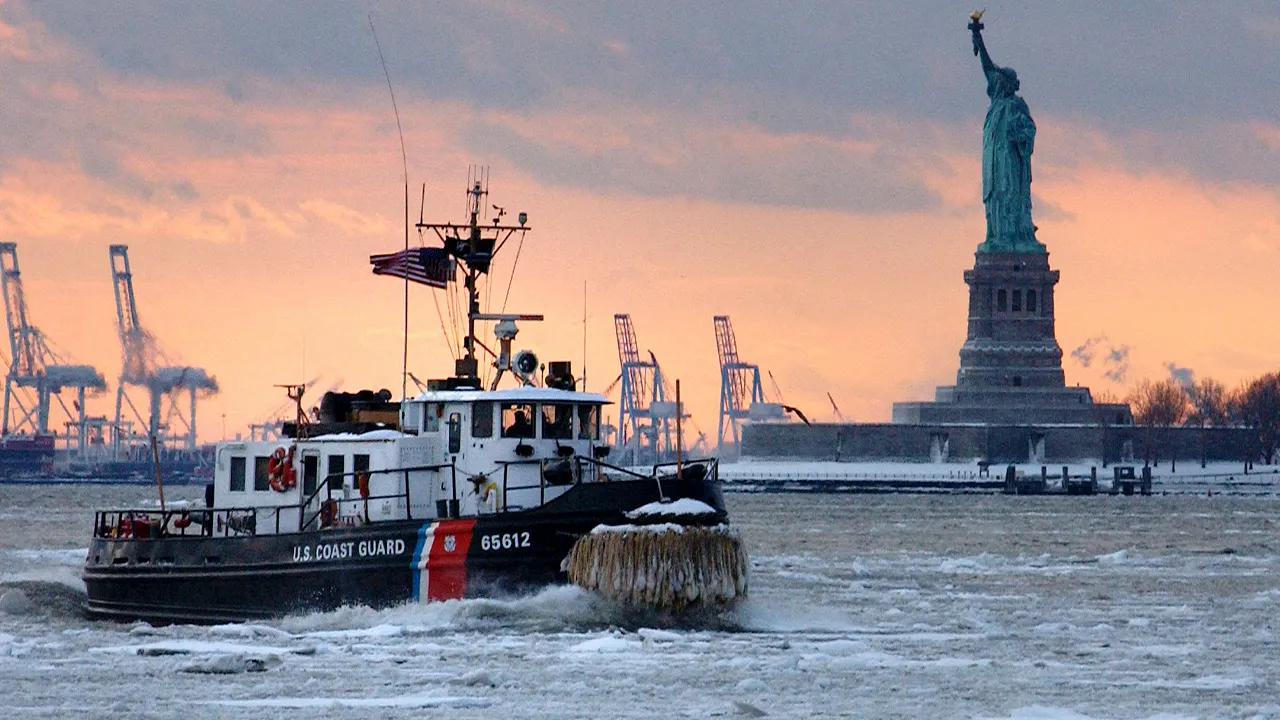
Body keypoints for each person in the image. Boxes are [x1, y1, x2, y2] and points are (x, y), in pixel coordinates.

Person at [970, 17, 1043, 253]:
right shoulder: (996, 104)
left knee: (1009, 195)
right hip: (994, 164)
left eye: (1002, 80)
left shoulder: (1017, 105)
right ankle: (998, 236)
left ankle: (1016, 234)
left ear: (1009, 84)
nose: (997, 82)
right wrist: (979, 40)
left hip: (1011, 165)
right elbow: (988, 68)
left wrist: (1020, 137)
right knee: (996, 198)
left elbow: (1030, 130)